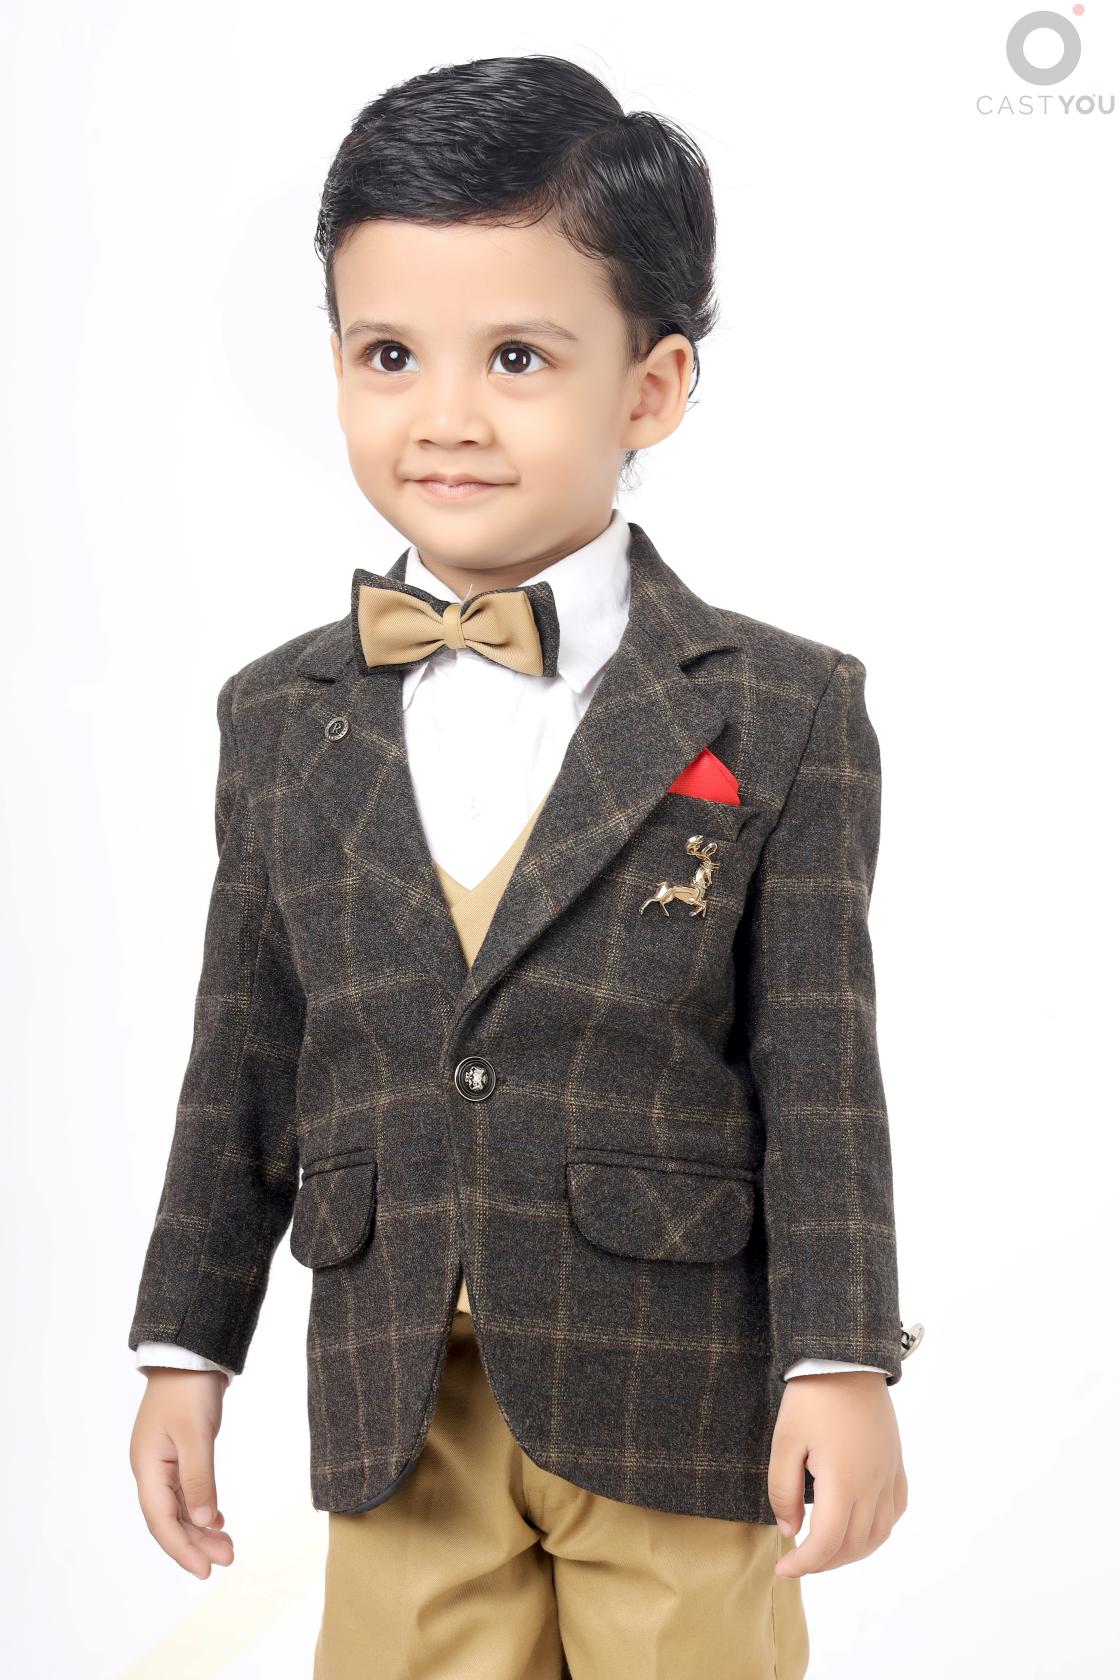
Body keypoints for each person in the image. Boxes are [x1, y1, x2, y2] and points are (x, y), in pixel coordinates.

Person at [127, 54, 922, 1679]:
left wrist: (841, 1360)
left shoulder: (780, 708)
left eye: (516, 357)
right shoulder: (278, 718)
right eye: (389, 354)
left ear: (653, 387)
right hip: (396, 1397)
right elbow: (243, 1063)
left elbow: (821, 1070)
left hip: (674, 1381)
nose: (447, 415)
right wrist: (183, 1350)